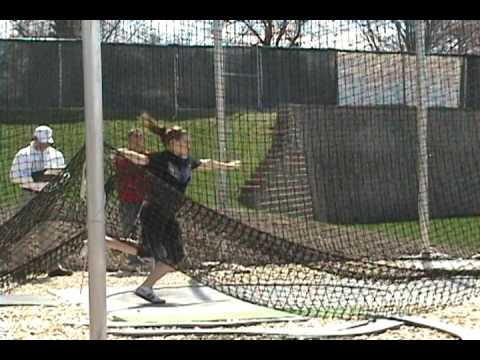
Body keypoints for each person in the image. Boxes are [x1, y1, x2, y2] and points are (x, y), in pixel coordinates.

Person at [116, 113, 240, 304]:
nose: (188, 145)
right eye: (184, 142)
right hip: (153, 212)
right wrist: (123, 151)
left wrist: (228, 166)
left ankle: (145, 286)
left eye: (189, 142)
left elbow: (206, 164)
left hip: (169, 215)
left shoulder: (187, 161)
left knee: (175, 257)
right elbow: (141, 160)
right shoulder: (161, 159)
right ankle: (106, 244)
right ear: (172, 143)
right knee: (148, 252)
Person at [9, 125, 73, 277]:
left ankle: (53, 266)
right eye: (42, 142)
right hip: (29, 196)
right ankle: (19, 268)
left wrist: (57, 178)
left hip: (50, 196)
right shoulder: (23, 155)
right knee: (23, 232)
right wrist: (37, 181)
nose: (44, 145)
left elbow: (64, 173)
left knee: (50, 230)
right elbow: (15, 177)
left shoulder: (56, 154)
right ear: (35, 138)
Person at [112, 128, 149, 272]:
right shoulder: (122, 157)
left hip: (144, 198)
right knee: (128, 228)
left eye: (139, 138)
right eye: (134, 138)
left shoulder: (146, 156)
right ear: (129, 140)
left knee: (143, 229)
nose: (137, 141)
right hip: (127, 198)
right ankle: (131, 260)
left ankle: (142, 259)